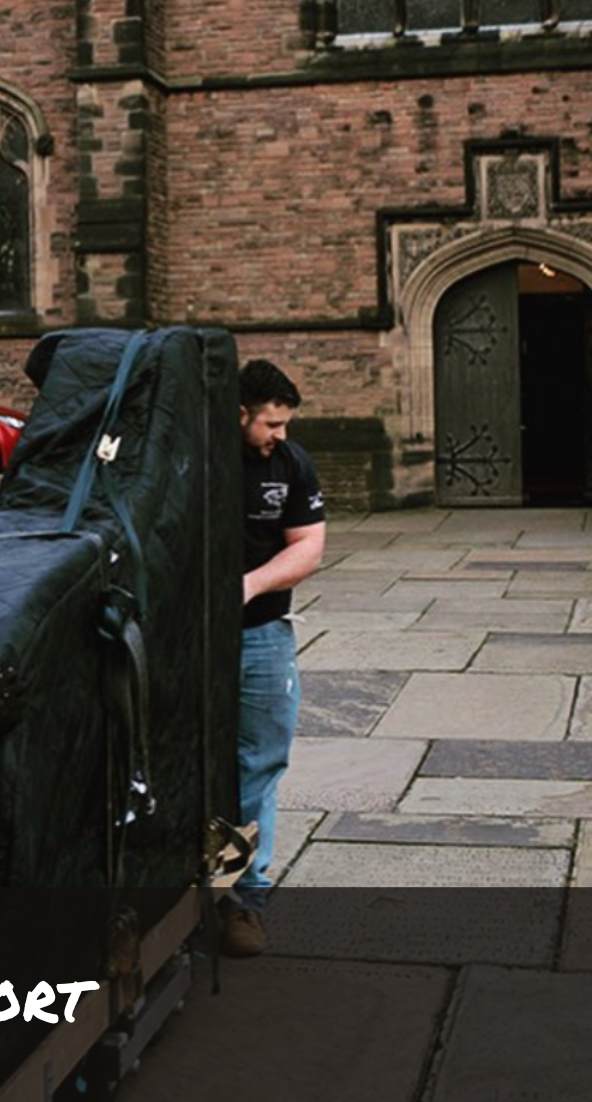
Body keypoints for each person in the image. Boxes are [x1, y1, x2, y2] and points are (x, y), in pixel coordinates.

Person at [224, 358, 326, 958]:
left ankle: (244, 900)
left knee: (259, 762)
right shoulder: (202, 459)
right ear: (240, 414)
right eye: (271, 423)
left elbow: (308, 546)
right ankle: (192, 890)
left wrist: (250, 585)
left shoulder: (291, 463)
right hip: (190, 643)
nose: (280, 435)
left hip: (262, 635)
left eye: (286, 424)